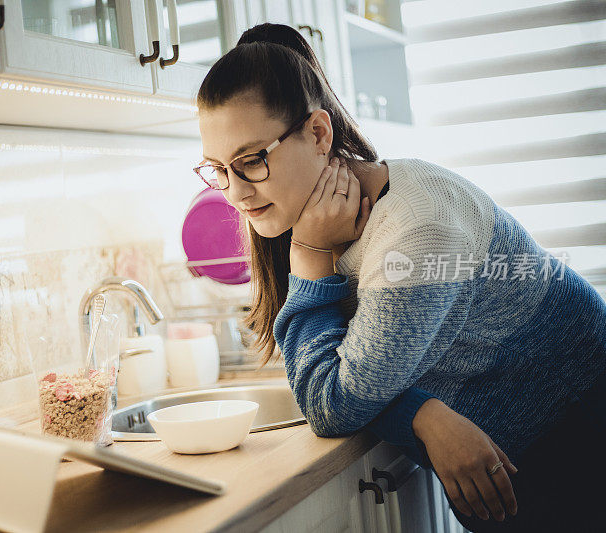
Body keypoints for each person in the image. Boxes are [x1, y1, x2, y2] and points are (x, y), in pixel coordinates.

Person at [193, 23, 606, 532]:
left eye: (251, 161)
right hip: (524, 455)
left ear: (319, 134)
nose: (233, 193)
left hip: (577, 431)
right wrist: (421, 413)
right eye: (217, 169)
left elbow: (333, 402)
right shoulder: (327, 216)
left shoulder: (413, 231)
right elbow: (351, 375)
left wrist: (308, 256)